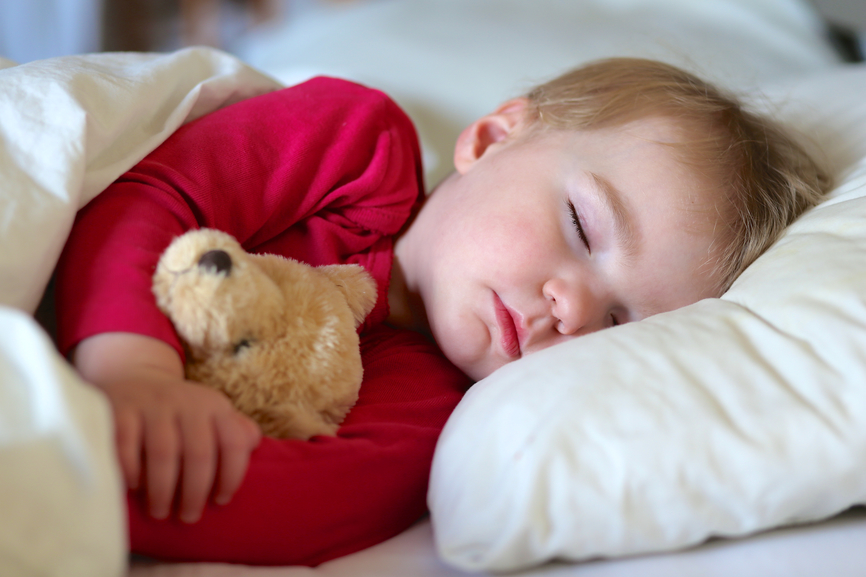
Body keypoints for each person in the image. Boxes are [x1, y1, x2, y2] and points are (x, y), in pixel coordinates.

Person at [53, 57, 829, 565]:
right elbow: (154, 194)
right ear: (493, 138)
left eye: (620, 323)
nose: (573, 309)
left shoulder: (437, 414)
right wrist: (132, 367)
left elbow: (305, 504)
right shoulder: (355, 144)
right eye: (583, 227)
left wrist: (78, 477)